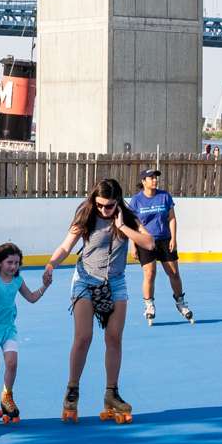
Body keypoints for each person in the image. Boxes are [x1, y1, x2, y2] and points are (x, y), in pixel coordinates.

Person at [42, 178, 155, 424]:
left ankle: (111, 393)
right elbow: (66, 246)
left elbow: (149, 243)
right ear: (94, 200)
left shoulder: (127, 215)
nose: (105, 210)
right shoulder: (85, 214)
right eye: (101, 205)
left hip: (115, 283)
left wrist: (123, 227)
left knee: (114, 337)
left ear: (117, 202)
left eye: (110, 206)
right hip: (85, 280)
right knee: (84, 337)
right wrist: (51, 264)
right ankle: (72, 391)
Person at [0, 242, 50, 427]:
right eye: (9, 262)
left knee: (12, 363)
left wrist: (44, 286)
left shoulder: (18, 281)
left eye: (16, 263)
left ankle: (7, 396)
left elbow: (31, 298)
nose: (14, 266)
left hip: (8, 328)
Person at [128, 169, 194, 325]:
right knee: (150, 274)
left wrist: (174, 238)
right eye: (151, 178)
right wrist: (134, 245)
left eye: (156, 177)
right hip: (145, 242)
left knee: (173, 273)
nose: (155, 180)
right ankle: (149, 305)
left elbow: (172, 218)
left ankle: (180, 302)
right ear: (143, 181)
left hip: (165, 240)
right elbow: (133, 224)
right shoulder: (136, 201)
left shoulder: (164, 196)